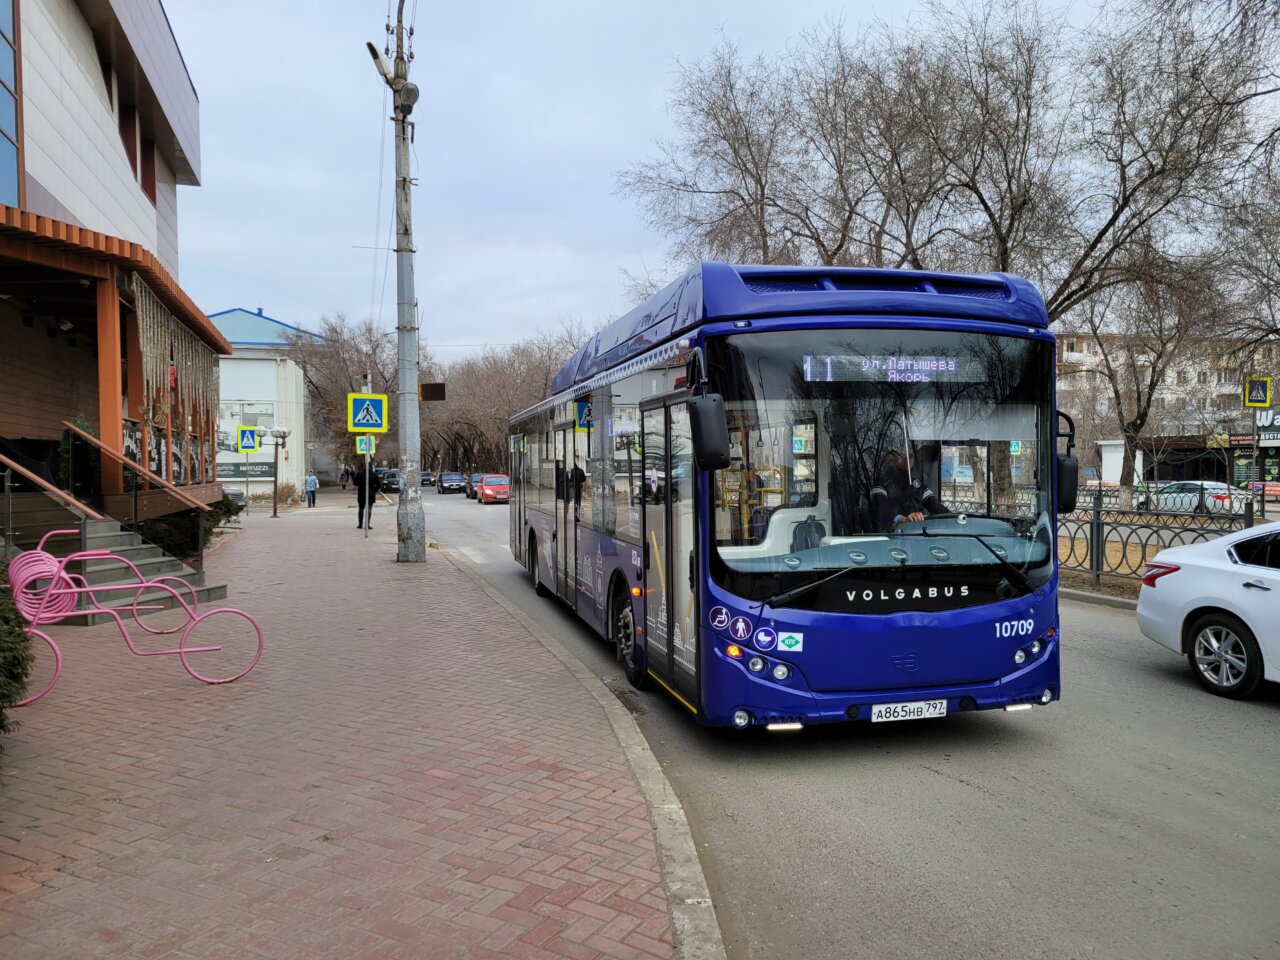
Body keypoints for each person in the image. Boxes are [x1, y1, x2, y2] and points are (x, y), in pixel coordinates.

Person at [871, 447, 948, 530]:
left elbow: (937, 507)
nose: (907, 460)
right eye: (903, 456)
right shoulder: (881, 483)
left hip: (916, 537)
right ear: (894, 458)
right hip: (889, 538)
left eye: (911, 456)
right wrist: (903, 519)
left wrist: (956, 517)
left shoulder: (918, 485)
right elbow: (882, 511)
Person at [354, 463, 383, 529]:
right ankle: (367, 525)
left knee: (361, 508)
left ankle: (360, 524)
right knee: (369, 509)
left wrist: (360, 485)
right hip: (371, 494)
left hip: (361, 493)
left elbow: (355, 483)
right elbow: (379, 485)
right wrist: (374, 490)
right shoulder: (374, 474)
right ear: (371, 467)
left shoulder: (359, 474)